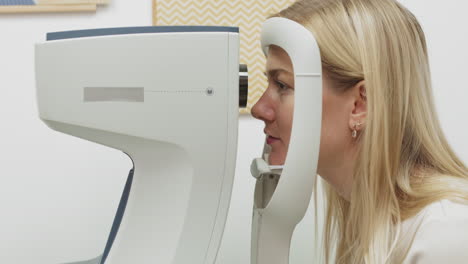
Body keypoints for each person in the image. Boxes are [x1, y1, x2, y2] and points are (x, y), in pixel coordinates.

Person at [250, 0, 468, 263]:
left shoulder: (444, 236)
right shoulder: (374, 228)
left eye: (282, 85)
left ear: (359, 105)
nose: (259, 108)